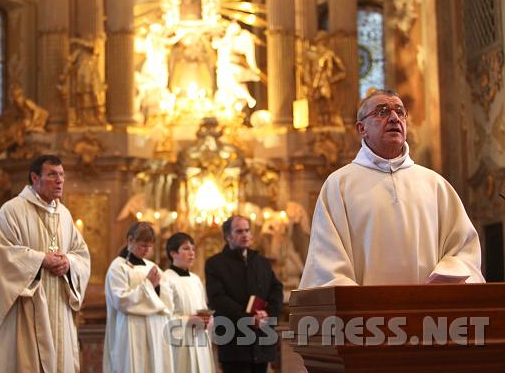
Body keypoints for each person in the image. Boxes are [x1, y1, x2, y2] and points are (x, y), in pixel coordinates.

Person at [300, 89, 485, 287]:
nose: (394, 118)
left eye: (400, 111)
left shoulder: (435, 185)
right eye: (382, 112)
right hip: (366, 315)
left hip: (429, 313)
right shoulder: (339, 185)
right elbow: (327, 261)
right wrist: (361, 308)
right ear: (362, 128)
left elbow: (463, 250)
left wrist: (443, 280)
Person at [0, 154, 90, 373]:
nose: (59, 181)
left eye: (62, 175)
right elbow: (2, 256)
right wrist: (40, 260)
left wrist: (69, 263)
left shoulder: (64, 215)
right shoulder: (12, 211)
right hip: (25, 312)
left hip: (58, 305)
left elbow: (81, 254)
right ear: (34, 178)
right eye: (52, 175)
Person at [205, 215, 283, 373]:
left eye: (247, 230)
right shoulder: (215, 264)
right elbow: (218, 299)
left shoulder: (261, 262)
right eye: (239, 231)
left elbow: (276, 289)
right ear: (227, 236)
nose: (245, 235)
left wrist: (268, 313)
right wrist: (247, 319)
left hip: (261, 339)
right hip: (234, 342)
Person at [103, 222, 175, 373]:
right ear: (130, 240)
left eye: (150, 246)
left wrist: (157, 287)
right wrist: (148, 286)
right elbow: (120, 300)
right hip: (131, 332)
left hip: (155, 330)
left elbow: (168, 297)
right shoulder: (118, 267)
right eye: (143, 245)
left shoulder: (151, 266)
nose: (147, 250)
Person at [162, 232, 216, 373]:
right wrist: (188, 321)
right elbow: (164, 317)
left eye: (193, 249)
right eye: (186, 249)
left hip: (200, 339)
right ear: (173, 253)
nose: (192, 253)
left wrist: (208, 320)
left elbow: (203, 308)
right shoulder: (165, 279)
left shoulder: (196, 279)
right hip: (180, 344)